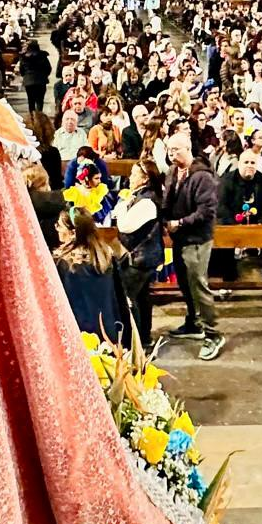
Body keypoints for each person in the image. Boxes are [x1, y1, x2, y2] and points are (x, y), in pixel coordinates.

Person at [162, 131, 224, 361]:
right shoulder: (172, 172)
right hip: (179, 238)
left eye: (176, 149)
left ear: (188, 149)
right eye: (169, 149)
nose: (171, 153)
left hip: (197, 239)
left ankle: (213, 333)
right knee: (185, 284)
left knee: (199, 285)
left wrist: (181, 222)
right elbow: (168, 200)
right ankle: (193, 323)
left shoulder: (202, 177)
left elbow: (207, 211)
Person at [53, 207, 125, 342]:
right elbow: (119, 298)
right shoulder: (105, 256)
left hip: (79, 335)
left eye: (59, 225)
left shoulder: (63, 263)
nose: (57, 229)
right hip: (108, 332)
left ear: (73, 232)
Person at [113, 160, 165, 343]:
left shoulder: (147, 201)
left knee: (129, 298)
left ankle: (136, 340)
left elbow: (125, 225)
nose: (130, 177)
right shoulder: (139, 196)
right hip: (139, 257)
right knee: (142, 298)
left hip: (140, 259)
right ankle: (143, 337)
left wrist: (121, 208)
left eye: (134, 174)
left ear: (145, 179)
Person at [19, 39, 53, 114]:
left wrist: (25, 76)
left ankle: (32, 118)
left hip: (29, 82)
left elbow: (21, 70)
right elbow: (48, 68)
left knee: (31, 101)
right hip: (41, 81)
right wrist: (44, 75)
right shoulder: (43, 56)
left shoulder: (24, 57)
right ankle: (39, 117)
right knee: (40, 101)